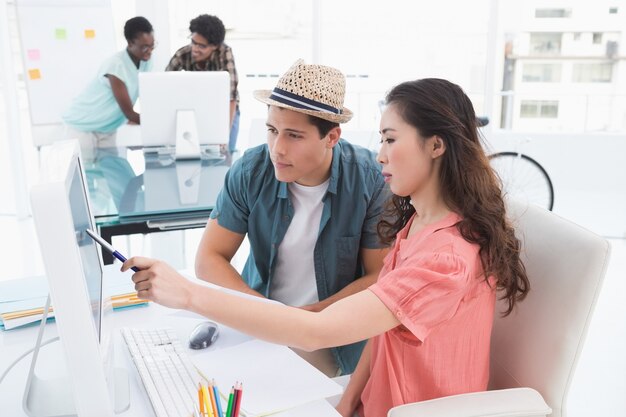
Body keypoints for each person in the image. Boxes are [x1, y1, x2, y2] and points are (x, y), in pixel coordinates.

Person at [122, 77, 530, 416]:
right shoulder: (417, 227)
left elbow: (317, 332)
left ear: (436, 146)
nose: (381, 156)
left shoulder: (445, 257)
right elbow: (382, 332)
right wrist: (347, 402)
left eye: (390, 140)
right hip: (375, 401)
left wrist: (188, 294)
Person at [191, 60, 390, 377]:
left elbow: (379, 276)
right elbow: (208, 259)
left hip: (332, 333)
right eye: (272, 130)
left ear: (331, 137)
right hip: (259, 322)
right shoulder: (251, 170)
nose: (277, 149)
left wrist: (311, 318)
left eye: (294, 136)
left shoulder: (370, 179)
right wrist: (267, 314)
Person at [62, 16, 155, 159]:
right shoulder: (115, 65)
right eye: (144, 46)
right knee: (86, 175)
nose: (149, 51)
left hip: (108, 129)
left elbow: (148, 97)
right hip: (82, 127)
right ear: (130, 43)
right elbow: (129, 113)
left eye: (152, 45)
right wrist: (158, 124)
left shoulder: (146, 61)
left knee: (114, 173)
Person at [165, 14, 240, 152]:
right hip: (196, 107)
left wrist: (224, 136)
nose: (195, 49)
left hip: (224, 108)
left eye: (202, 46)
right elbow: (164, 85)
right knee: (195, 150)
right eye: (193, 42)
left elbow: (231, 97)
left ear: (215, 46)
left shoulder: (225, 54)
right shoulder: (182, 54)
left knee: (225, 151)